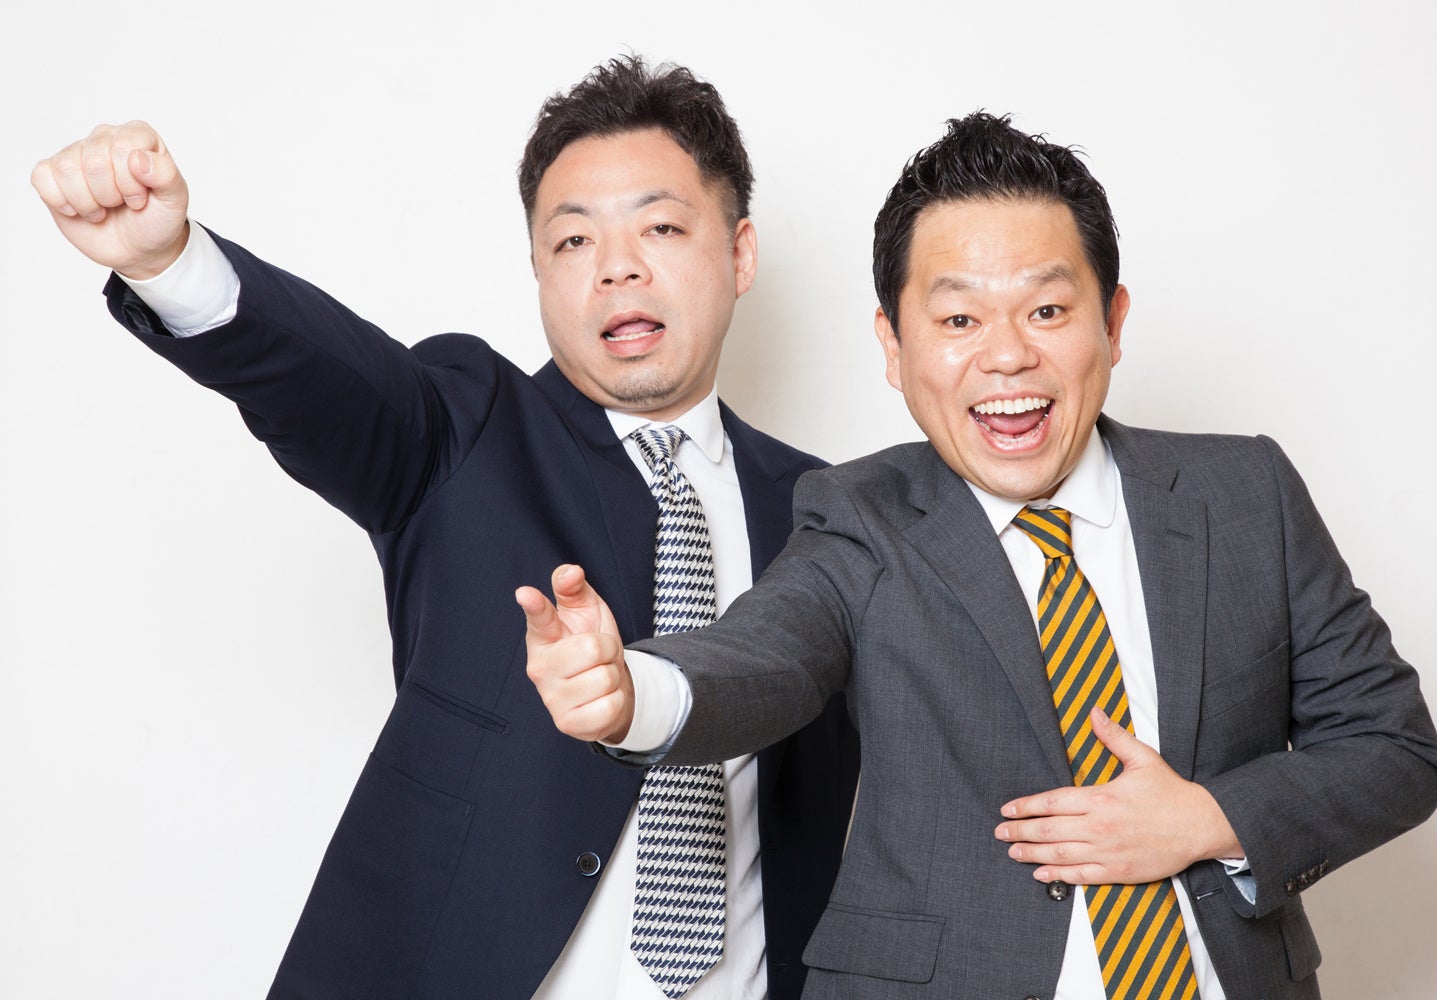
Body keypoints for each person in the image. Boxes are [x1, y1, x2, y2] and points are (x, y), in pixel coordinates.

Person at [519, 112, 1437, 999]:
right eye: (959, 321)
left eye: (1046, 309)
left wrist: (1209, 820)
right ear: (893, 346)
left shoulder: (1244, 494)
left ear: (1112, 322)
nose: (1006, 357)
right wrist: (634, 693)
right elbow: (766, 655)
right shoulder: (862, 516)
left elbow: (1394, 746)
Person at [31, 57, 858, 1000]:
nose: (617, 266)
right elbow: (327, 382)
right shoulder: (465, 430)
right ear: (538, 272)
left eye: (660, 227)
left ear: (740, 255)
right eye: (573, 240)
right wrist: (171, 263)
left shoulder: (828, 512)